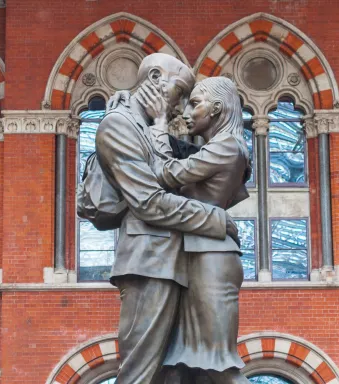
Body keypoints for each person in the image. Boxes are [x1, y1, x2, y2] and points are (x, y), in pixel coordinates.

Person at [93, 53, 240, 384]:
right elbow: (148, 202)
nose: (182, 105)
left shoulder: (145, 126)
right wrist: (215, 219)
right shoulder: (119, 124)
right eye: (182, 91)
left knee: (174, 374)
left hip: (175, 261)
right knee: (140, 373)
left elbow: (195, 162)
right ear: (157, 78)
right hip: (149, 262)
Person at [135, 77, 252, 384]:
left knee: (218, 364)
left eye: (195, 103)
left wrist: (159, 125)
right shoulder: (218, 148)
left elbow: (164, 173)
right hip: (194, 257)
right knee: (178, 368)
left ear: (217, 108)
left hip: (211, 259)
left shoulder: (227, 146)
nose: (186, 112)